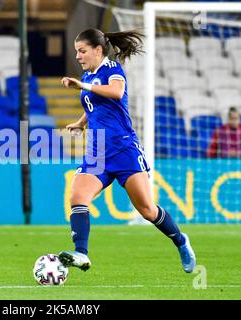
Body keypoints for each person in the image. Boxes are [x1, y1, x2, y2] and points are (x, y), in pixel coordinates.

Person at [58, 28, 196, 273]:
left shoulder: (111, 69)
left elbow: (116, 92)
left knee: (147, 210)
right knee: (78, 197)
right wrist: (81, 122)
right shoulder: (89, 76)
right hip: (98, 150)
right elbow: (95, 106)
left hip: (124, 149)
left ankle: (180, 240)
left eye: (82, 51)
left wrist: (81, 85)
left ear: (98, 50)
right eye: (76, 52)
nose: (78, 56)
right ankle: (81, 253)